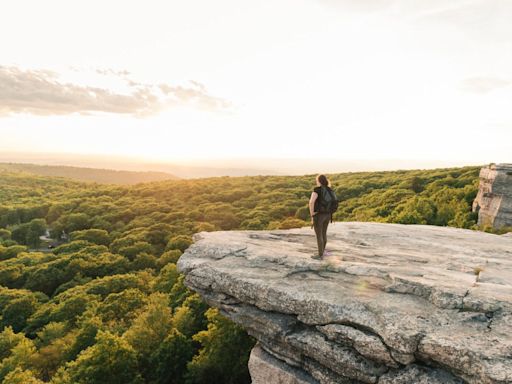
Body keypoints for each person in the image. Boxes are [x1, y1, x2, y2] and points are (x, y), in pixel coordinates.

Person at [309, 174, 334, 259]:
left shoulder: (317, 190)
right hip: (328, 215)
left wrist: (312, 215)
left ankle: (320, 255)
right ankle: (322, 253)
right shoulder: (329, 189)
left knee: (319, 235)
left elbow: (311, 202)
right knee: (324, 234)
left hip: (319, 215)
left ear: (318, 181)